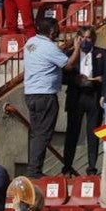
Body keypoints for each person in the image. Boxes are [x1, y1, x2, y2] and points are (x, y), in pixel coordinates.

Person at [22, 17, 78, 177]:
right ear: (52, 31)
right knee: (42, 134)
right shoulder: (49, 47)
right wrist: (76, 49)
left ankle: (33, 169)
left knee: (36, 133)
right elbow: (69, 65)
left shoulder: (31, 42)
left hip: (31, 93)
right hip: (45, 95)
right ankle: (34, 171)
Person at [62, 27, 105, 176]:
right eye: (83, 38)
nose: (86, 41)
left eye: (89, 38)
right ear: (78, 39)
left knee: (93, 134)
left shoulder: (101, 53)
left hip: (94, 96)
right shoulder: (69, 54)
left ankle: (92, 168)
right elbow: (63, 76)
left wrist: (101, 79)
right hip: (76, 96)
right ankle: (67, 167)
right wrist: (75, 80)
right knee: (72, 133)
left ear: (93, 39)